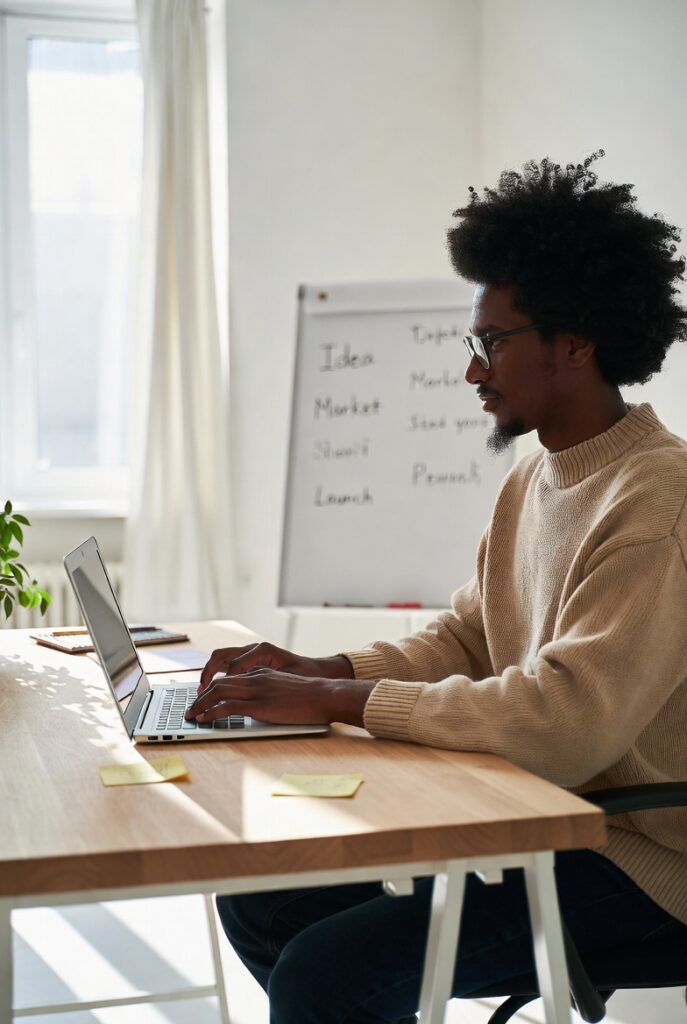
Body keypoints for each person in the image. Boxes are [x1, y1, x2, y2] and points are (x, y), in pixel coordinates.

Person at [186, 151, 687, 1024]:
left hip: (639, 857)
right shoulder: (537, 478)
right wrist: (318, 667)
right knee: (256, 900)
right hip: (540, 819)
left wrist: (338, 695)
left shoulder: (658, 502)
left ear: (574, 343)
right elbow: (466, 634)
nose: (472, 370)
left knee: (325, 974)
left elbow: (565, 721)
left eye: (491, 342)